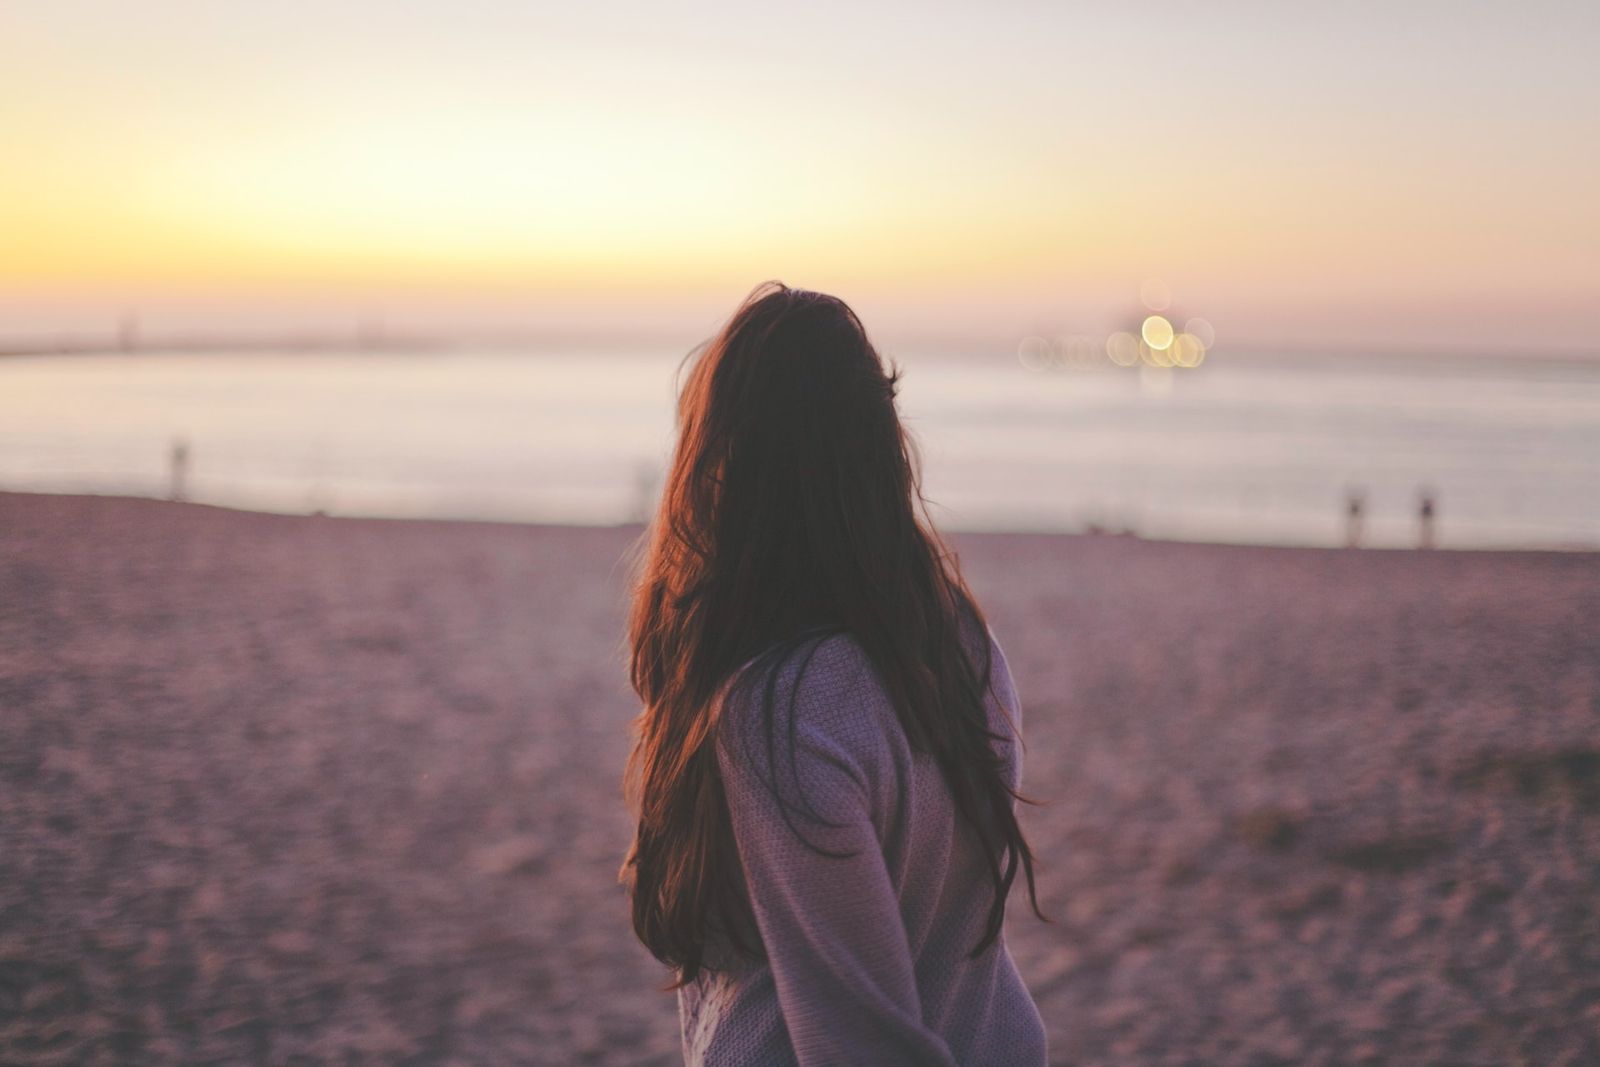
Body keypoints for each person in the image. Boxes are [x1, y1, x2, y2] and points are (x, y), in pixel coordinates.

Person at [619, 283, 1048, 1066]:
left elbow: (860, 1041)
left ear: (726, 464)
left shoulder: (777, 713)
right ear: (879, 447)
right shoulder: (955, 635)